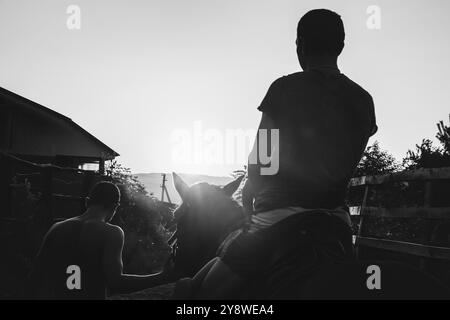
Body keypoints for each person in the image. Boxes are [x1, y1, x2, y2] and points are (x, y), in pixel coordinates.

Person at [174, 9, 377, 299]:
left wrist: (249, 197)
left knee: (194, 293)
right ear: (341, 46)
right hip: (337, 226)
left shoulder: (284, 88)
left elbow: (263, 155)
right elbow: (349, 159)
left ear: (300, 45)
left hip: (278, 221)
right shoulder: (363, 99)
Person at [26, 181, 172, 299]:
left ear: (87, 201)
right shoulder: (111, 233)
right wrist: (161, 277)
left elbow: (36, 276)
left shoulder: (56, 228)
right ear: (115, 207)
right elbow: (116, 283)